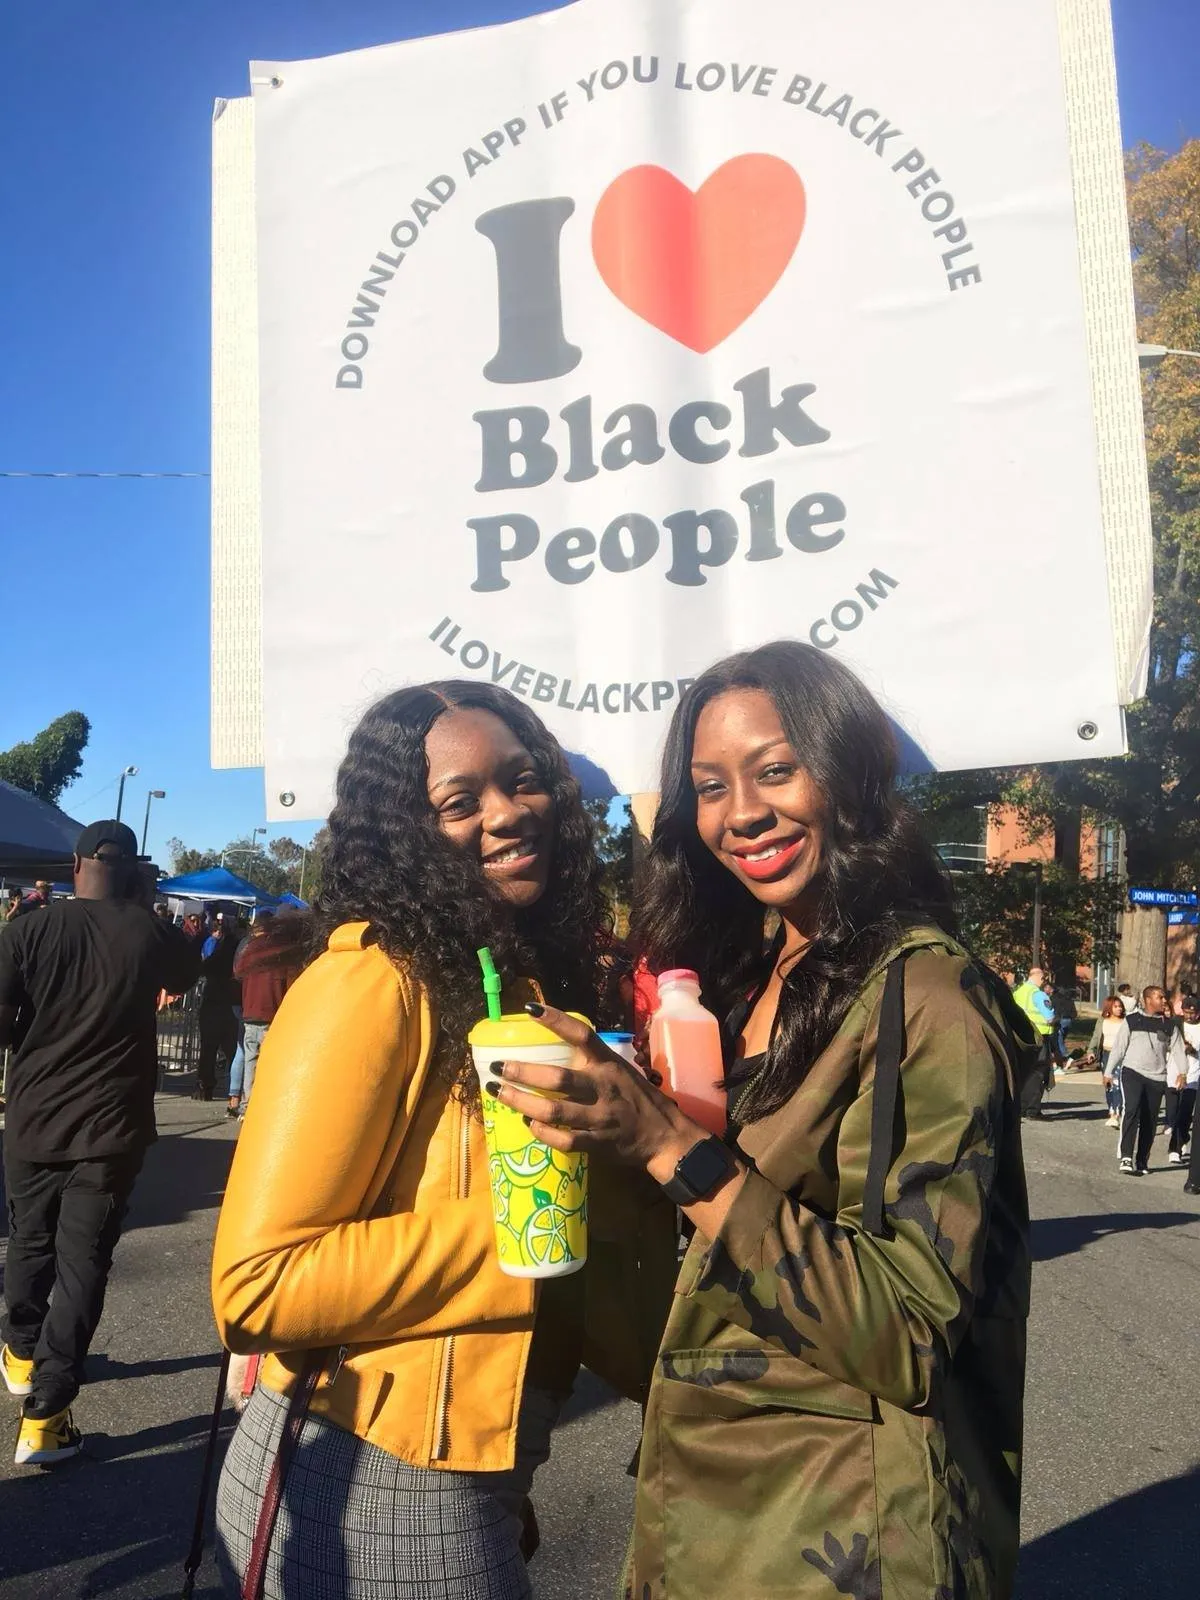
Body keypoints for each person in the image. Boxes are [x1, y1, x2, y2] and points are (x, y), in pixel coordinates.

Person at [491, 642, 1033, 1600]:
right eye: (708, 787)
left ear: (852, 777)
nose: (741, 813)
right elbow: (705, 1267)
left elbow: (908, 1329)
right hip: (709, 1520)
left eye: (776, 770)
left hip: (843, 1536)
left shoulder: (930, 997)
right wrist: (611, 1126)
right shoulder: (747, 980)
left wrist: (666, 1142)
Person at [210, 682, 674, 1600]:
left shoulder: (511, 973)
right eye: (461, 802)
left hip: (477, 1462)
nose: (508, 814)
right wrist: (533, 1227)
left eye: (523, 780)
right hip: (370, 1477)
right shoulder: (372, 980)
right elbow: (256, 1282)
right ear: (406, 832)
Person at [0, 820, 200, 1464]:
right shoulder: (150, 931)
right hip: (111, 1127)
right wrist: (140, 902)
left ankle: (20, 1351)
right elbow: (185, 973)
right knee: (83, 1262)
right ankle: (47, 1418)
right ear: (135, 869)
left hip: (33, 1117)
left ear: (77, 862)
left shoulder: (27, 930)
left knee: (30, 1238)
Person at [228, 911, 306, 1118]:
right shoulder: (282, 951)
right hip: (273, 1014)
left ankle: (247, 1105)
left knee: (249, 1060)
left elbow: (237, 974)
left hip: (250, 1012)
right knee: (271, 1063)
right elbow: (291, 983)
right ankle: (265, 1106)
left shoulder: (249, 949)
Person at [1108, 984, 1186, 1175]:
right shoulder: (1132, 1020)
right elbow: (1119, 1048)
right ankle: (1126, 1156)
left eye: (1164, 997)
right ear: (1148, 999)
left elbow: (1177, 1049)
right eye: (1160, 997)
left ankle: (1142, 1160)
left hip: (1157, 1076)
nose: (1163, 1000)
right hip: (1132, 1072)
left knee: (1150, 1120)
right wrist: (1108, 1071)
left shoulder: (1169, 1025)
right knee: (1132, 1110)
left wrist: (1182, 1072)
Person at [195, 911, 242, 1100]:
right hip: (230, 1002)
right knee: (232, 1049)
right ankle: (234, 1091)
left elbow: (205, 967)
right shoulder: (237, 950)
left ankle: (204, 1087)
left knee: (208, 1049)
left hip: (213, 1000)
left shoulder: (219, 949)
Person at [1012, 965, 1056, 1117]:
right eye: (1043, 978)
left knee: (1024, 1071)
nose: (1044, 981)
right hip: (1040, 1036)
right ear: (1037, 977)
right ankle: (1032, 1109)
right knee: (1038, 1072)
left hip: (1021, 1037)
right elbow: (1049, 1017)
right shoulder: (1038, 995)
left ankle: (1022, 1107)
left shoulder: (1018, 992)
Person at [1166, 993, 1199, 1167]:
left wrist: (1192, 1049)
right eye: (1186, 1012)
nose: (1189, 1016)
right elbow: (1163, 1042)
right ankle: (1179, 1142)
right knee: (1173, 1113)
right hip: (1174, 1074)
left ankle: (1178, 1145)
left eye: (1193, 1013)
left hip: (1193, 1077)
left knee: (1185, 1113)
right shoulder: (1175, 1024)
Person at [1085, 996, 1128, 1128]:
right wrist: (1090, 1051)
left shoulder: (1125, 1022)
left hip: (1121, 1056)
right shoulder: (1102, 1021)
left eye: (1120, 1006)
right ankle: (1111, 1110)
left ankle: (1116, 1113)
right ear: (1109, 1007)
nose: (1119, 1009)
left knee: (1117, 1084)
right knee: (1108, 1084)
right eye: (1116, 1006)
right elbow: (1096, 1037)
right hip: (1106, 1054)